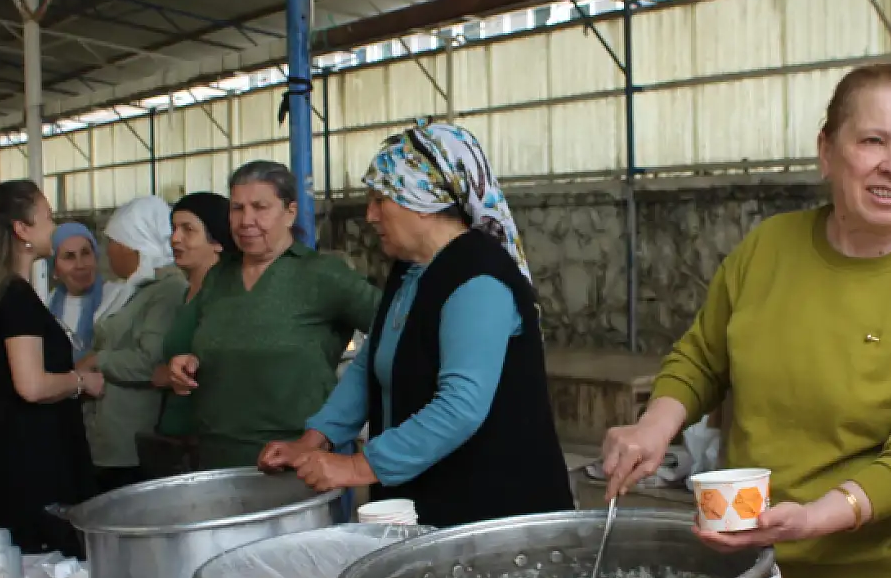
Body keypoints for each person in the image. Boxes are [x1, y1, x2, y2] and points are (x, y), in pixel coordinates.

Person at [602, 63, 891, 578]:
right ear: (827, 150)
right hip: (750, 571)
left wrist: (816, 517)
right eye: (873, 140)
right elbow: (704, 355)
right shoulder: (769, 246)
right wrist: (653, 426)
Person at [261, 122, 572, 527]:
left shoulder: (479, 280)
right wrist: (314, 440)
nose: (370, 215)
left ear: (422, 198)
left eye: (380, 199)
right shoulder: (412, 272)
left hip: (493, 511)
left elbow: (460, 405)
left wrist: (356, 468)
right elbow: (371, 363)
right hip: (427, 499)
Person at [165, 163, 380, 469]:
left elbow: (396, 329)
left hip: (299, 457)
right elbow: (216, 344)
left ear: (290, 212)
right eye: (237, 208)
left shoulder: (323, 275)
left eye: (260, 207)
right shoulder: (219, 277)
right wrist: (189, 363)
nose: (246, 220)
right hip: (217, 454)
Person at [0, 181, 104, 555]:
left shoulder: (1, 293)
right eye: (48, 217)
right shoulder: (16, 298)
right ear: (22, 230)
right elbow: (31, 385)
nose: (54, 227)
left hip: (16, 461)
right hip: (37, 467)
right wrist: (80, 381)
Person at [80, 196, 186, 494]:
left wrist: (97, 361)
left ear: (133, 244)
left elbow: (150, 361)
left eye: (113, 243)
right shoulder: (130, 288)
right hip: (107, 434)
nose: (108, 252)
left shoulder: (167, 291)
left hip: (130, 440)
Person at [142, 192, 229, 477]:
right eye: (174, 229)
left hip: (204, 439)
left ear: (217, 241)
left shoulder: (221, 297)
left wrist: (167, 375)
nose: (175, 239)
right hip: (176, 439)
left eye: (188, 230)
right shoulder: (187, 294)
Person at [48, 222, 102, 361]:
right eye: (69, 257)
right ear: (55, 270)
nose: (80, 265)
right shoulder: (46, 305)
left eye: (85, 253)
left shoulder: (115, 297)